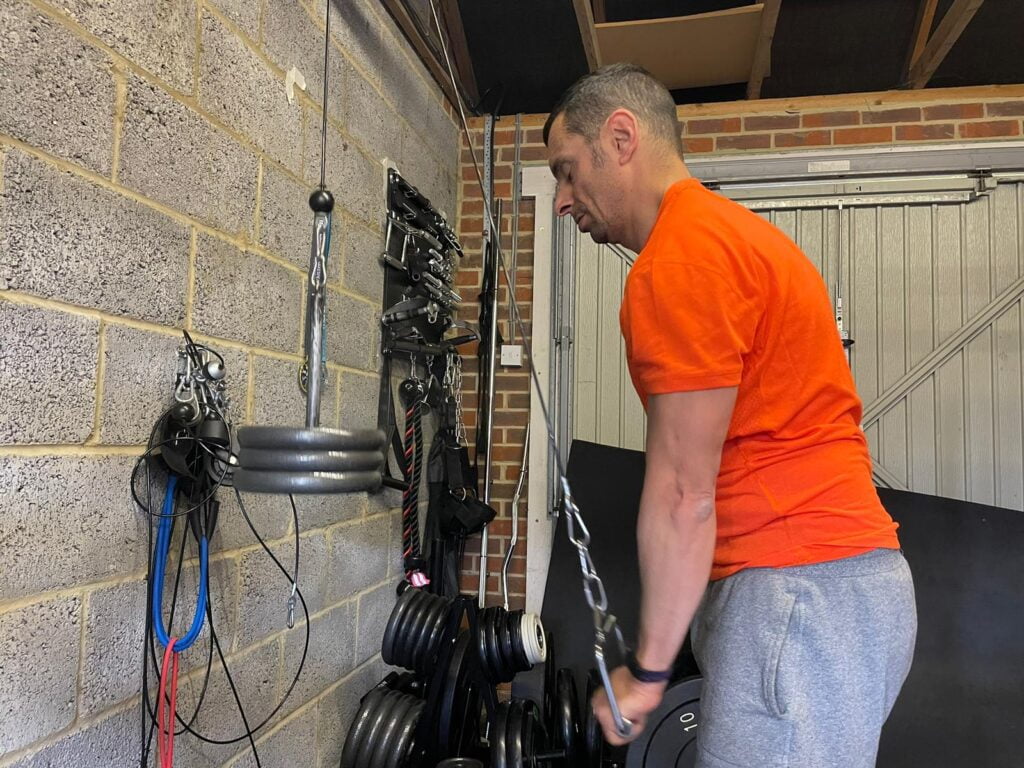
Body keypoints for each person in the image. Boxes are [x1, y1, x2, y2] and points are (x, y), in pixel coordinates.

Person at [543, 63, 917, 768]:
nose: (562, 200)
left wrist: (649, 672)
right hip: (827, 600)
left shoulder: (682, 260)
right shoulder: (735, 238)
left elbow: (686, 492)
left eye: (567, 170)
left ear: (621, 136)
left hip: (797, 600)